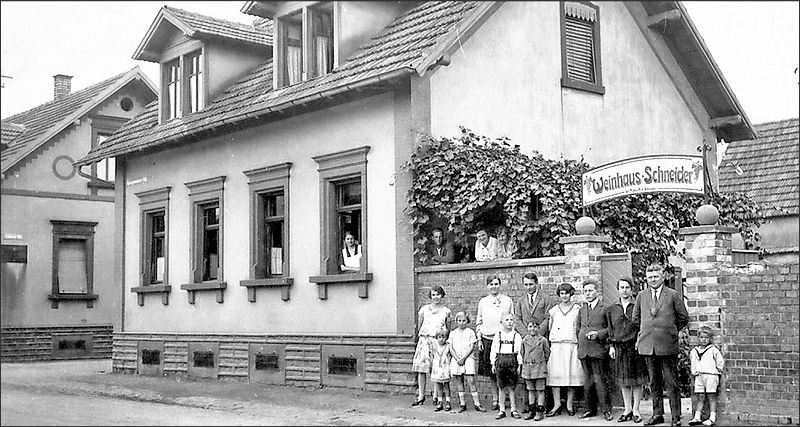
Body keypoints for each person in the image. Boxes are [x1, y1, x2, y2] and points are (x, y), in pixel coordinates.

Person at [633, 262, 690, 426]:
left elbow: (683, 317)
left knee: (672, 382)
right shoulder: (642, 296)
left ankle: (676, 416)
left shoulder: (672, 295)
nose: (653, 280)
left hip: (667, 345)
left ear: (663, 276)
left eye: (656, 276)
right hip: (648, 345)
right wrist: (647, 332)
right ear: (646, 278)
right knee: (654, 382)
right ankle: (657, 414)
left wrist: (670, 331)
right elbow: (636, 319)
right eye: (650, 277)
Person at [606, 277, 647, 424]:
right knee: (624, 381)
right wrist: (611, 345)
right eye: (622, 287)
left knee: (636, 380)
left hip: (634, 347)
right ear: (618, 289)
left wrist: (639, 341)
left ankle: (636, 410)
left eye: (627, 287)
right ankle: (627, 409)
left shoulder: (638, 306)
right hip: (619, 347)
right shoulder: (612, 309)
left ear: (631, 289)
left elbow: (642, 326)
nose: (624, 290)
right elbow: (610, 329)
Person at [513, 272, 555, 413]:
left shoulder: (545, 299)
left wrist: (538, 334)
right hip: (526, 339)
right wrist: (526, 335)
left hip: (540, 339)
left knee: (541, 373)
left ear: (537, 283)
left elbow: (548, 317)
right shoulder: (520, 301)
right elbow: (517, 319)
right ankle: (529, 406)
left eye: (531, 284)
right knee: (527, 373)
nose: (529, 287)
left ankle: (543, 406)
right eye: (526, 284)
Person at [475, 275, 514, 410]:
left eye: (496, 284)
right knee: (491, 372)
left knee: (505, 370)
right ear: (487, 286)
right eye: (491, 284)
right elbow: (479, 322)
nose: (494, 286)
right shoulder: (483, 302)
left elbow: (511, 320)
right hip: (488, 339)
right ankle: (495, 399)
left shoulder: (507, 301)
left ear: (500, 285)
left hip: (503, 340)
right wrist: (479, 339)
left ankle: (506, 398)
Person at [576, 278, 613, 421]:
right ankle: (589, 409)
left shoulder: (605, 308)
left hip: (598, 349)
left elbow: (611, 328)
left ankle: (606, 409)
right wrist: (580, 342)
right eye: (585, 291)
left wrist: (599, 334)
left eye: (590, 290)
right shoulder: (582, 308)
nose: (587, 293)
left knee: (601, 380)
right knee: (588, 381)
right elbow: (578, 328)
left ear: (597, 291)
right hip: (584, 349)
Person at [546, 282, 583, 417]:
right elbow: (551, 327)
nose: (564, 296)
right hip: (557, 345)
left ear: (571, 294)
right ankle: (557, 404)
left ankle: (569, 403)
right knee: (555, 375)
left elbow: (578, 327)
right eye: (562, 293)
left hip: (571, 345)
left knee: (570, 375)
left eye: (566, 293)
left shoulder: (577, 309)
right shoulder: (554, 310)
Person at [411, 285, 451, 407]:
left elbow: (448, 329)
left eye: (438, 294)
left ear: (442, 295)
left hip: (437, 341)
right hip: (424, 340)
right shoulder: (423, 310)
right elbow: (419, 325)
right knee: (421, 370)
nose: (436, 297)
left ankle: (436, 396)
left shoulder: (446, 311)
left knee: (436, 368)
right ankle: (421, 396)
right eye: (433, 295)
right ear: (430, 296)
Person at [448, 311, 486, 412]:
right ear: (456, 321)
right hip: (456, 359)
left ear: (467, 321)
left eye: (464, 320)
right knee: (459, 380)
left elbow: (471, 346)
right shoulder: (453, 333)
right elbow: (450, 347)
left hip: (468, 358)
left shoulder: (470, 332)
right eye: (459, 321)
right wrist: (457, 358)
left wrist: (464, 358)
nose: (461, 323)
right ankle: (462, 404)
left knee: (471, 380)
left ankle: (477, 403)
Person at [688, 326, 724, 426]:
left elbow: (720, 362)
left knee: (711, 396)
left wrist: (717, 371)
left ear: (710, 338)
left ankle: (712, 417)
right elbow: (693, 363)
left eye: (706, 338)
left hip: (711, 376)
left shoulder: (713, 350)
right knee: (700, 396)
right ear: (698, 338)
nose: (704, 340)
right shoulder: (694, 351)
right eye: (702, 337)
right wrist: (695, 373)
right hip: (699, 376)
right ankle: (697, 417)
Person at [490, 312, 523, 419]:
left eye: (511, 320)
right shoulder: (498, 335)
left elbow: (520, 352)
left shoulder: (516, 336)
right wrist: (493, 363)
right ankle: (502, 409)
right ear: (501, 322)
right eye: (507, 320)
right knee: (501, 387)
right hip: (500, 361)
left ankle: (513, 409)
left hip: (512, 361)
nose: (509, 322)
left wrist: (519, 365)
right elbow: (493, 351)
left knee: (512, 387)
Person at [520, 319, 550, 421]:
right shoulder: (524, 340)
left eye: (535, 327)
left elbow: (547, 353)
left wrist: (540, 362)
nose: (532, 329)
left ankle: (539, 412)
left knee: (540, 390)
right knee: (531, 390)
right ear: (527, 328)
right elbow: (522, 353)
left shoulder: (543, 340)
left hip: (540, 369)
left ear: (538, 328)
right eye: (530, 326)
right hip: (528, 368)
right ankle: (531, 411)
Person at [431, 328, 454, 412]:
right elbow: (432, 356)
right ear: (437, 338)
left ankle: (448, 401)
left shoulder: (448, 346)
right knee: (439, 386)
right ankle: (440, 401)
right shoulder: (435, 346)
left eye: (443, 337)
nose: (441, 339)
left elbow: (450, 356)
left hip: (445, 367)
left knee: (446, 386)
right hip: (437, 368)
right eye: (439, 337)